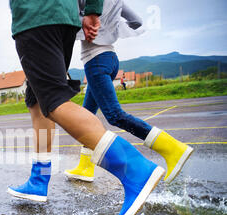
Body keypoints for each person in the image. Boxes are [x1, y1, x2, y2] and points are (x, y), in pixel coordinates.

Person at [0, 0, 165, 215]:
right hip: (65, 20)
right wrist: (92, 10)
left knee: (53, 101)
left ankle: (135, 169)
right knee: (37, 100)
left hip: (36, 17)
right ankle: (39, 179)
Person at [64, 0, 193, 184]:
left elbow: (68, 23)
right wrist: (111, 29)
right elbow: (137, 21)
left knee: (114, 115)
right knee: (87, 115)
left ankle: (172, 148)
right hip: (110, 58)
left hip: (96, 61)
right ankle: (85, 166)